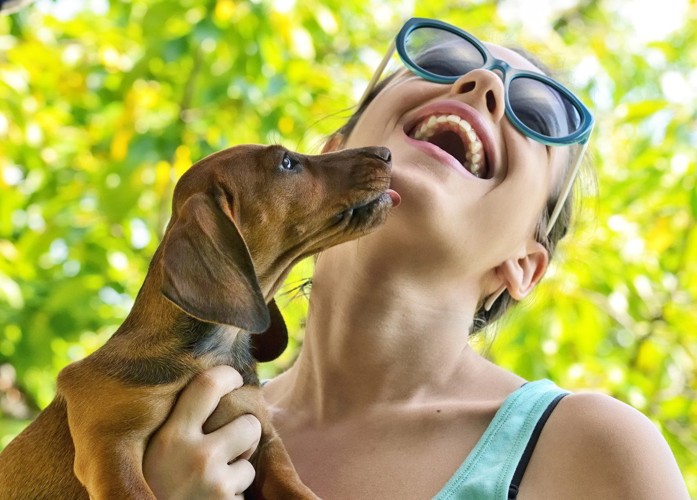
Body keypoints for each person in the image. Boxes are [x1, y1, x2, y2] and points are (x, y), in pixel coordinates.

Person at [142, 17, 689, 499]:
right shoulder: (181, 429)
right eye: (441, 61)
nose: (483, 83)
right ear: (328, 157)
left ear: (524, 266)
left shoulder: (591, 448)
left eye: (537, 115)